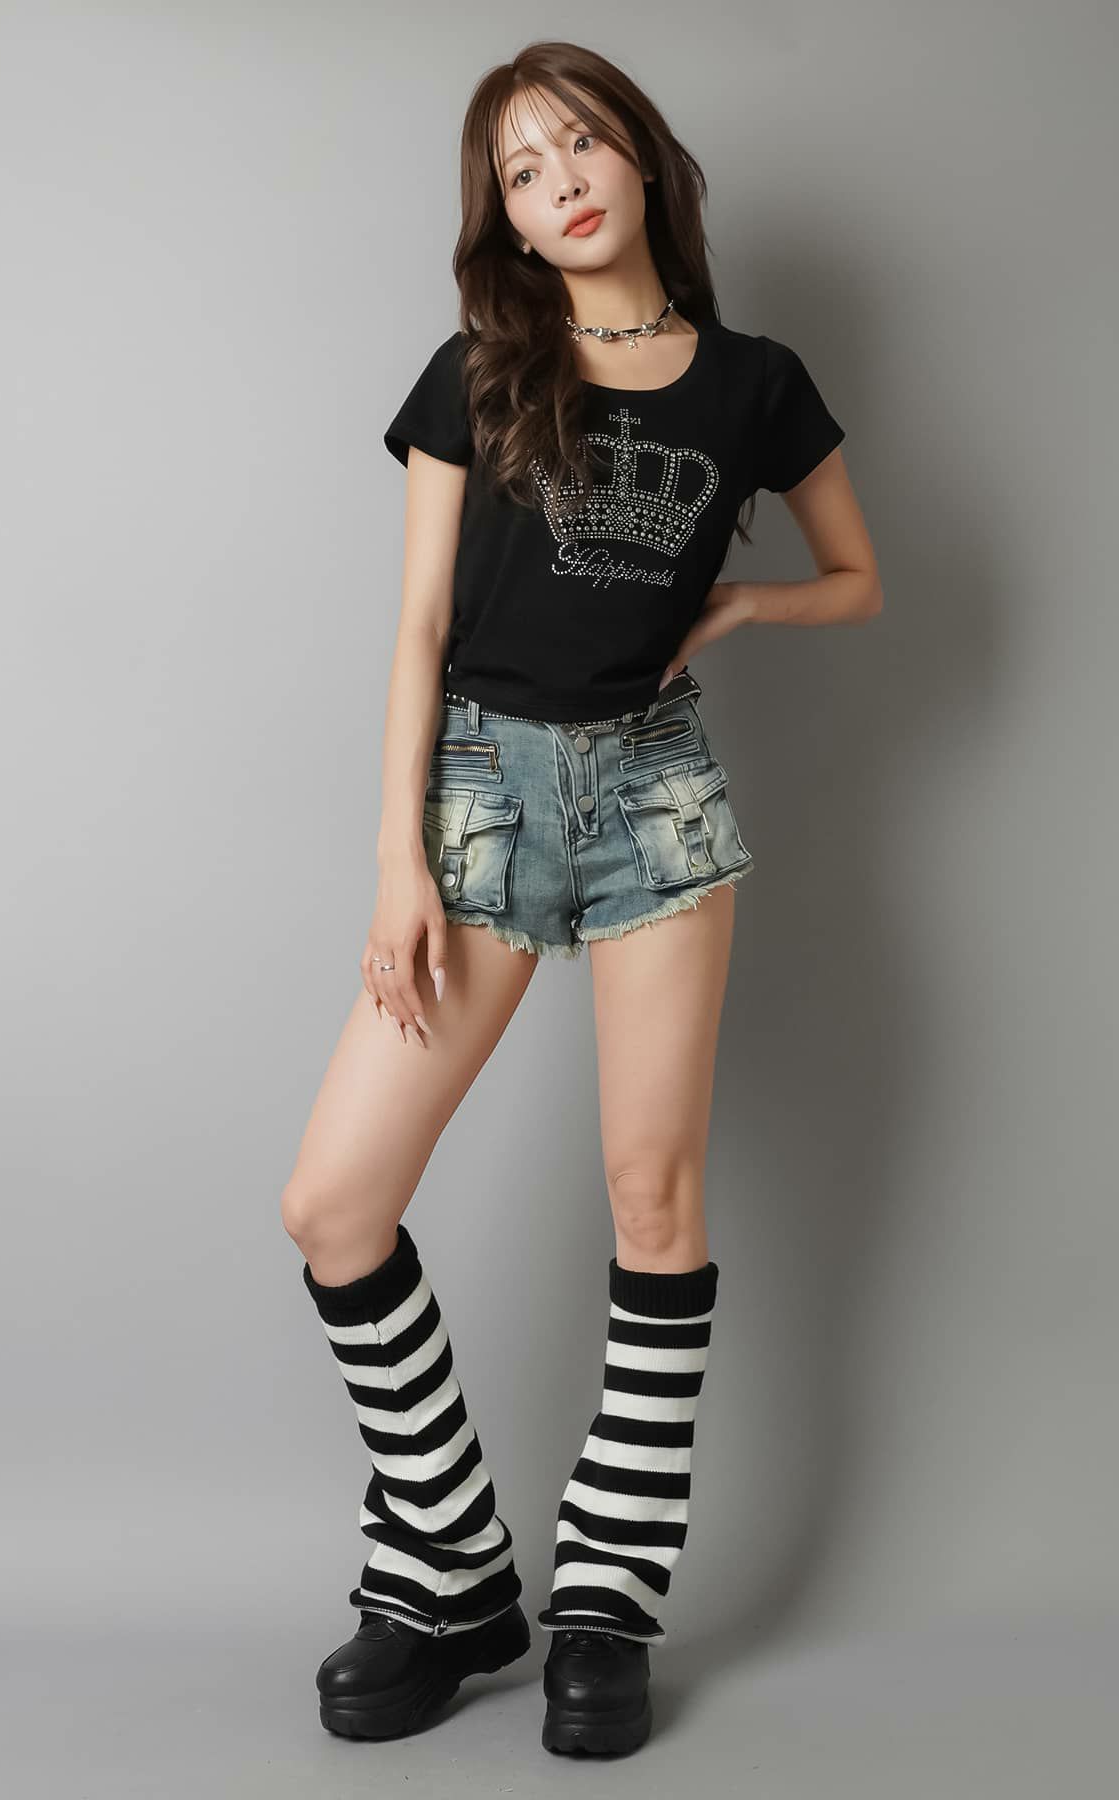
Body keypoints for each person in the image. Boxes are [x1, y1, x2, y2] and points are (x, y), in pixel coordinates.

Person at [280, 39, 882, 1758]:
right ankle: (454, 1563)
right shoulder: (479, 373)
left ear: (642, 162)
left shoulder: (757, 384)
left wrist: (746, 608)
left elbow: (860, 577)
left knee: (652, 1195)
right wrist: (398, 858)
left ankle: (606, 1597)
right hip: (481, 795)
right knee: (335, 1204)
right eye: (526, 171)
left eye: (583, 144)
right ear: (513, 223)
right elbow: (418, 630)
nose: (563, 182)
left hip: (656, 802)